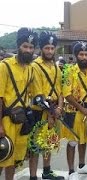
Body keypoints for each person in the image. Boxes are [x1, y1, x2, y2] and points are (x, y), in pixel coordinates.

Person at [0, 27, 41, 180]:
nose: (28, 50)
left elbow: (36, 94)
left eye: (31, 47)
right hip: (6, 120)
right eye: (25, 46)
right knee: (2, 156)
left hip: (21, 120)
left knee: (13, 160)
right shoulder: (4, 66)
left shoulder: (31, 69)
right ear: (19, 46)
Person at [29, 31, 65, 180]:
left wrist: (59, 108)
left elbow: (61, 91)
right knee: (35, 145)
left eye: (52, 48)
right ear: (41, 48)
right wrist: (51, 113)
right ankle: (32, 176)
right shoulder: (35, 66)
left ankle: (46, 171)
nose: (50, 51)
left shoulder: (56, 67)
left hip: (54, 109)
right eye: (47, 48)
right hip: (39, 110)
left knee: (49, 141)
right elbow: (37, 94)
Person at [62, 41, 87, 180]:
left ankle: (82, 166)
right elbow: (67, 94)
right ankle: (71, 171)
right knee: (72, 142)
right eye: (81, 54)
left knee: (84, 140)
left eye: (86, 54)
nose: (84, 57)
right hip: (74, 111)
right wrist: (82, 108)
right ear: (76, 56)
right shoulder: (69, 71)